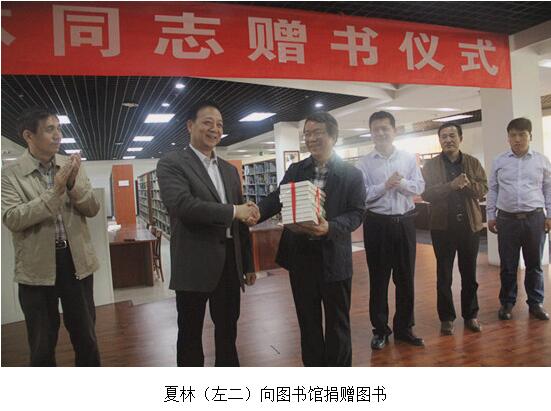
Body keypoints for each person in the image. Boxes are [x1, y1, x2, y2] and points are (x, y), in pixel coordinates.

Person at [257, 111, 365, 366]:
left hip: (334, 259)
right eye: (307, 134)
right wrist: (256, 212)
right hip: (302, 258)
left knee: (338, 323)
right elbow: (278, 198)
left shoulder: (351, 174)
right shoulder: (297, 170)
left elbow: (357, 213)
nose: (311, 138)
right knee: (308, 322)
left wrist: (330, 227)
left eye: (318, 133)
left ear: (333, 136)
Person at [156, 100, 258, 367]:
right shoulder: (172, 163)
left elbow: (240, 221)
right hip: (194, 263)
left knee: (228, 332)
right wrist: (234, 211)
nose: (215, 129)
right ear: (190, 125)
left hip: (230, 265)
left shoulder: (229, 170)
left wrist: (248, 263)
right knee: (190, 335)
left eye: (220, 125)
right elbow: (182, 205)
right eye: (208, 123)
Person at [2, 107, 101, 366]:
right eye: (49, 129)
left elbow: (92, 208)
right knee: (42, 345)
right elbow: (13, 218)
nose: (58, 135)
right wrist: (55, 190)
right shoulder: (9, 175)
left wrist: (73, 184)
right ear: (28, 135)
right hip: (35, 269)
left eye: (58, 128)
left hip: (76, 262)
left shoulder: (72, 166)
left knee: (87, 337)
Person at [356, 111, 425, 350]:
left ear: (394, 131)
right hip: (377, 225)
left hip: (405, 223)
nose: (381, 133)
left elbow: (419, 187)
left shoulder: (408, 158)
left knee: (406, 279)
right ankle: (380, 330)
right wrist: (385, 186)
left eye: (385, 128)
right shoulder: (363, 163)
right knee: (379, 280)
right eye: (376, 129)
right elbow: (362, 196)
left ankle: (404, 328)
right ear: (371, 133)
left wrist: (401, 183)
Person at [421, 123, 488, 335]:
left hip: (469, 227)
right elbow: (426, 194)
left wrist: (466, 185)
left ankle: (471, 315)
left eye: (452, 135)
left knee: (469, 274)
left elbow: (483, 189)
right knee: (444, 275)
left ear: (460, 138)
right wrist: (450, 186)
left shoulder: (473, 162)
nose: (448, 140)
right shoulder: (430, 166)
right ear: (439, 140)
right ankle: (447, 318)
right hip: (442, 228)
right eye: (444, 136)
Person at [487, 117, 551, 321]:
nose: (517, 139)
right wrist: (490, 215)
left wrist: (550, 215)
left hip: (535, 218)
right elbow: (493, 189)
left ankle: (536, 303)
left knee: (534, 264)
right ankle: (507, 303)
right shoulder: (499, 161)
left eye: (522, 135)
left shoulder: (541, 161)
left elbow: (548, 189)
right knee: (508, 265)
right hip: (507, 219)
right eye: (513, 135)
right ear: (508, 138)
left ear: (530, 136)